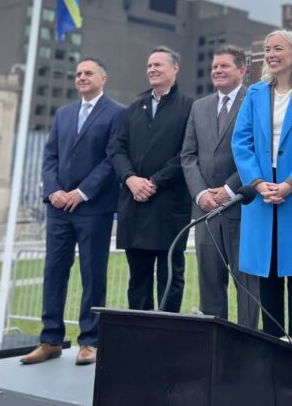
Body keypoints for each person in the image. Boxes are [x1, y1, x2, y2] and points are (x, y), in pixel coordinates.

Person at [232, 30, 292, 389]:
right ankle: (273, 352)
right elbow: (241, 141)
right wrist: (258, 183)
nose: (270, 54)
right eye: (267, 49)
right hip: (262, 192)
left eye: (278, 49)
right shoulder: (255, 94)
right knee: (268, 275)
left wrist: (290, 183)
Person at [20, 58, 124, 366]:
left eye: (88, 73)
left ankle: (89, 341)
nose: (81, 77)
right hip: (58, 209)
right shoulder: (63, 114)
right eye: (78, 73)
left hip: (93, 208)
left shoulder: (117, 113)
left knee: (93, 275)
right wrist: (53, 192)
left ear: (103, 78)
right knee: (54, 271)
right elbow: (49, 156)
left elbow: (111, 159)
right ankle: (50, 339)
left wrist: (81, 192)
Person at [180, 44, 260, 326]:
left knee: (248, 286)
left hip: (241, 208)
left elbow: (257, 151)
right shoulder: (199, 107)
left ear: (241, 70)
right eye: (214, 67)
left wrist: (229, 189)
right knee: (210, 286)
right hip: (205, 212)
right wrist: (201, 193)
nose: (217, 70)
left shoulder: (255, 101)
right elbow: (188, 155)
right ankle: (216, 350)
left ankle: (247, 348)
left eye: (224, 66)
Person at [111, 46, 194, 312]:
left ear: (174, 69)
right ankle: (140, 335)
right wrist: (130, 179)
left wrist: (154, 182)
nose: (152, 70)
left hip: (168, 207)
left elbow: (187, 153)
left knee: (170, 277)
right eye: (149, 66)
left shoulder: (189, 107)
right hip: (134, 205)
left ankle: (167, 336)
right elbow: (117, 149)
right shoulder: (135, 108)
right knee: (138, 279)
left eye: (158, 65)